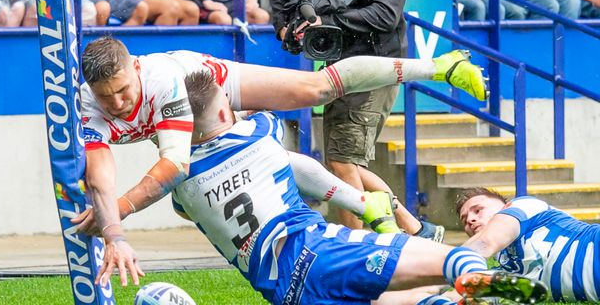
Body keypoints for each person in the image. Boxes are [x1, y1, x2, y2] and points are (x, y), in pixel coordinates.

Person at [100, 69, 548, 305]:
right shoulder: (260, 132)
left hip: (282, 291)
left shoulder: (180, 189)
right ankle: (488, 282)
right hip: (316, 250)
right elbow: (298, 165)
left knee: (400, 300)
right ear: (222, 114)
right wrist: (359, 200)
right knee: (449, 261)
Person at [69, 36, 490, 285]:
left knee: (315, 89)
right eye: (107, 97)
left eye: (123, 90)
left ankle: (440, 66)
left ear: (135, 69)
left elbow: (173, 164)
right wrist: (112, 232)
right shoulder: (90, 104)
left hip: (205, 87)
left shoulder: (160, 80)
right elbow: (99, 173)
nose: (118, 103)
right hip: (185, 132)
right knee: (268, 161)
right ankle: (366, 204)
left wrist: (116, 220)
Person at [272, 0, 449, 239]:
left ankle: (352, 243)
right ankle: (416, 230)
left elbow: (385, 15)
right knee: (341, 160)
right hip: (337, 63)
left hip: (378, 64)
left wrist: (328, 20)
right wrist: (284, 26)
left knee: (340, 161)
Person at [456, 187, 600, 302]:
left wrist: (440, 261)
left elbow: (485, 242)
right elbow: (458, 291)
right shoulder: (500, 269)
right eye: (464, 220)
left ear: (506, 206)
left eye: (477, 210)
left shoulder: (524, 205)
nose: (470, 219)